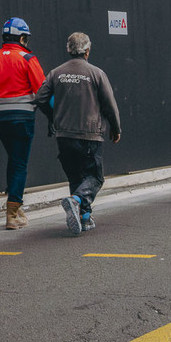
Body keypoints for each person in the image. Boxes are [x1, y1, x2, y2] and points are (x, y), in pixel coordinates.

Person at [35, 31, 121, 235]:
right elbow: (110, 105)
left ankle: (84, 217)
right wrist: (116, 128)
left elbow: (40, 98)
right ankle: (76, 201)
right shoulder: (96, 73)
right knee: (95, 178)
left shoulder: (56, 73)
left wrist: (54, 117)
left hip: (64, 135)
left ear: (69, 49)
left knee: (76, 177)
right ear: (88, 51)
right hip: (89, 134)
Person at [0, 17, 46, 229]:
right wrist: (53, 117)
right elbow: (42, 92)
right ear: (22, 37)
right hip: (23, 119)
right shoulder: (27, 59)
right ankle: (12, 214)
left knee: (13, 160)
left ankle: (15, 205)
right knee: (20, 164)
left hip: (0, 121)